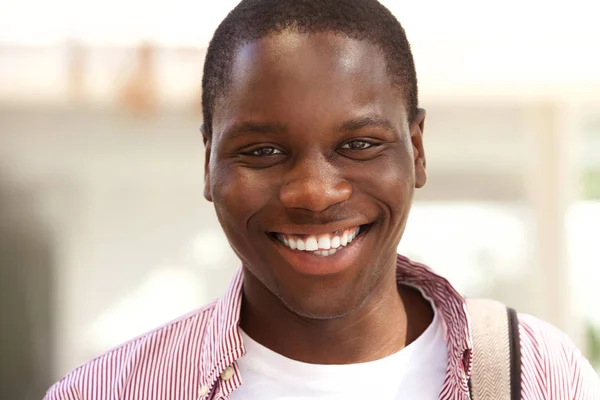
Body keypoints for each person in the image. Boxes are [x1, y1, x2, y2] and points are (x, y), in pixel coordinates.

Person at [45, 0, 600, 399]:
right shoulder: (109, 390)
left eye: (358, 145)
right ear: (208, 162)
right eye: (262, 151)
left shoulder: (534, 375)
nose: (314, 193)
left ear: (416, 150)